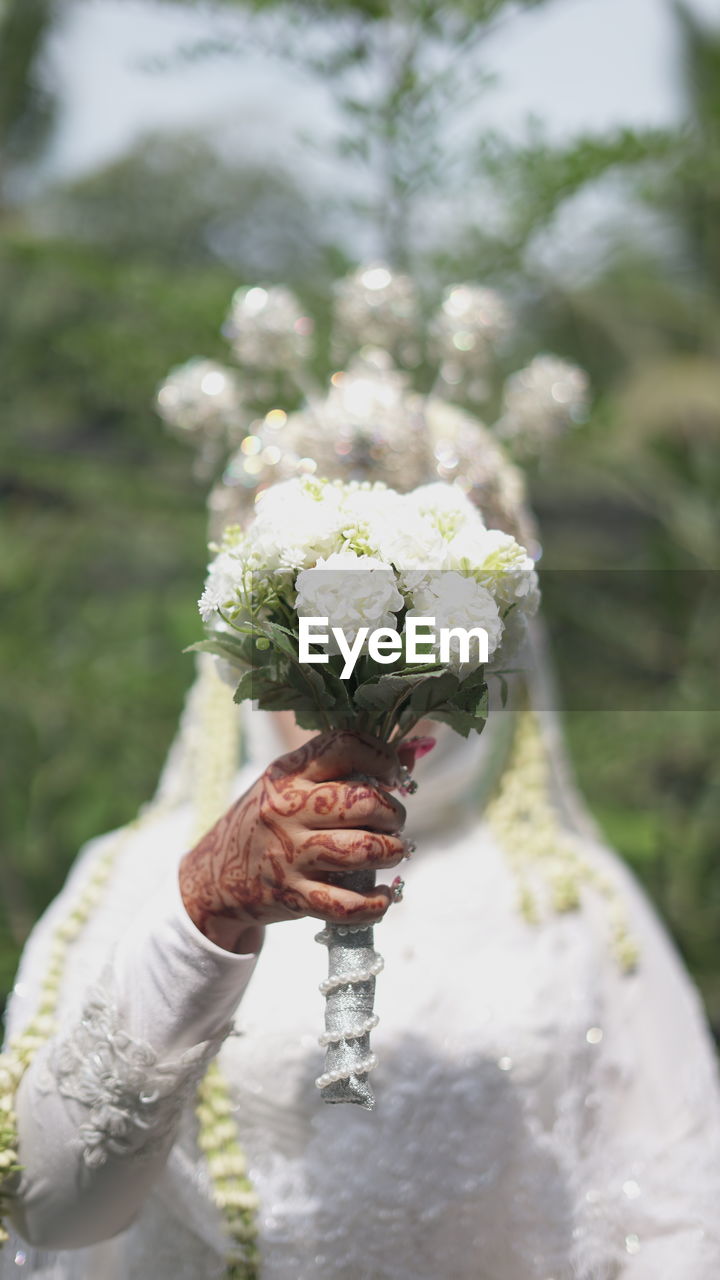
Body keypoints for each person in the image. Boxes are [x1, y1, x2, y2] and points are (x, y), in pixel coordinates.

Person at [2, 284, 719, 1280]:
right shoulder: (139, 881)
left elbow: (681, 1222)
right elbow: (48, 1205)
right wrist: (206, 911)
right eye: (322, 634)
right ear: (252, 648)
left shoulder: (578, 904)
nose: (372, 683)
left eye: (426, 638)